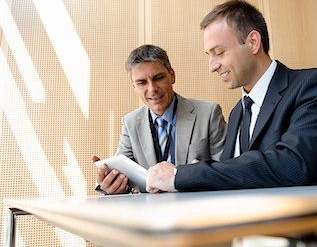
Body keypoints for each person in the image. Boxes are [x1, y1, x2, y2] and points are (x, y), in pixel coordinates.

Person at [147, 0, 317, 193]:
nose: (212, 66)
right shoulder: (238, 112)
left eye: (219, 52)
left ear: (252, 42)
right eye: (209, 56)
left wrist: (186, 175)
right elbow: (234, 173)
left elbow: (293, 165)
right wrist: (195, 176)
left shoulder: (313, 85)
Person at [92, 44, 227, 195]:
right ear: (134, 87)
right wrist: (109, 182)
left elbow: (225, 172)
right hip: (150, 214)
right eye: (142, 82)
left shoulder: (209, 114)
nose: (152, 89)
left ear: (172, 75)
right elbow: (124, 174)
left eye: (158, 78)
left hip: (197, 212)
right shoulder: (130, 123)